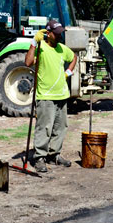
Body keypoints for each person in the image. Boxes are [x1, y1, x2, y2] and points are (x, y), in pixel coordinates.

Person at [25, 19, 77, 173]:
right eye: (57, 34)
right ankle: (39, 157)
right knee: (44, 128)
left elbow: (74, 57)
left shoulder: (62, 48)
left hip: (62, 95)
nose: (60, 36)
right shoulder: (41, 48)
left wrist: (68, 72)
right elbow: (28, 62)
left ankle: (54, 154)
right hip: (45, 95)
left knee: (60, 127)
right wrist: (34, 42)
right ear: (48, 34)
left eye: (61, 33)